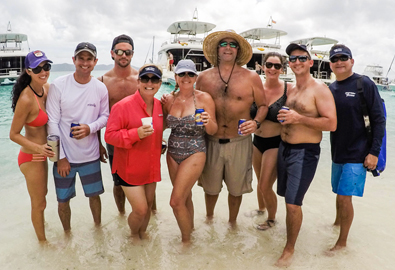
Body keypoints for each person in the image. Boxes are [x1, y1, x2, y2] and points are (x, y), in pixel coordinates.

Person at [196, 30, 268, 225]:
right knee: (210, 188)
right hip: (211, 140)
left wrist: (256, 123)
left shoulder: (251, 77)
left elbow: (263, 106)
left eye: (233, 45)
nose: (228, 47)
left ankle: (232, 223)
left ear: (238, 51)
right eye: (224, 44)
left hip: (240, 141)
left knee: (236, 189)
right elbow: (192, 104)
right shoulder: (203, 78)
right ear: (217, 50)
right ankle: (209, 220)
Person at [275, 43, 337, 267]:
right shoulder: (291, 89)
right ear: (289, 64)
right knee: (286, 197)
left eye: (302, 58)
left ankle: (289, 249)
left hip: (304, 152)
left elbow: (331, 123)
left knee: (293, 203)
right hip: (284, 149)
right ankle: (289, 232)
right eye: (292, 59)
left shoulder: (319, 89)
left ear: (311, 63)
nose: (297, 62)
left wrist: (298, 119)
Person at [46, 42, 109, 232]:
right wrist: (61, 157)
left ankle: (98, 230)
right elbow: (52, 123)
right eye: (81, 58)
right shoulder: (59, 85)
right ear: (73, 60)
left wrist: (90, 128)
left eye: (89, 58)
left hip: (90, 155)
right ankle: (67, 235)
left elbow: (105, 116)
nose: (85, 62)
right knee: (63, 200)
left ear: (95, 62)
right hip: (65, 158)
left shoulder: (100, 88)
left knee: (94, 196)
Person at [328, 44, 385, 252]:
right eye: (335, 59)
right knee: (339, 192)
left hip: (359, 152)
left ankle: (342, 243)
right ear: (330, 65)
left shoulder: (364, 84)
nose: (339, 62)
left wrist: (374, 152)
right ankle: (336, 224)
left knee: (345, 196)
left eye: (344, 58)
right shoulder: (330, 89)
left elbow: (379, 119)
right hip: (337, 151)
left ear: (352, 61)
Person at [105, 64, 163, 241]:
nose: (149, 83)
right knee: (140, 210)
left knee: (148, 208)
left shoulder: (160, 106)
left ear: (160, 83)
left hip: (151, 168)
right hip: (129, 169)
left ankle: (142, 235)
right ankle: (132, 236)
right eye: (145, 79)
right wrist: (134, 134)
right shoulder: (122, 106)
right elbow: (109, 136)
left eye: (154, 79)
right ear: (138, 82)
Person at [163, 59, 217, 244]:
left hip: (195, 151)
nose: (186, 78)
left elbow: (213, 130)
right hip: (172, 152)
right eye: (182, 74)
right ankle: (190, 229)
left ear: (195, 77)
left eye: (190, 74)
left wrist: (208, 120)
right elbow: (162, 126)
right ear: (175, 77)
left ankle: (186, 244)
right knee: (185, 196)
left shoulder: (204, 98)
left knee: (175, 201)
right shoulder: (169, 99)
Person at [9, 50, 55, 242]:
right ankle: (43, 244)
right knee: (39, 203)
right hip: (31, 156)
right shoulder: (27, 99)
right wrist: (37, 148)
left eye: (46, 66)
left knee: (43, 197)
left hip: (42, 154)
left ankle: (40, 228)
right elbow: (13, 134)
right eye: (37, 68)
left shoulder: (46, 89)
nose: (43, 71)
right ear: (28, 71)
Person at [98, 34, 139, 215]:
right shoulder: (103, 81)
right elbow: (98, 115)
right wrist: (98, 144)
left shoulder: (141, 78)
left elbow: (152, 109)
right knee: (118, 181)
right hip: (114, 140)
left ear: (132, 54)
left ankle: (150, 215)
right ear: (112, 54)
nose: (123, 55)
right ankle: (121, 215)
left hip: (141, 136)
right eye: (119, 51)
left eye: (127, 52)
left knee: (145, 178)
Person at [251, 52, 291, 230]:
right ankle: (261, 209)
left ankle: (272, 219)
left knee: (265, 184)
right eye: (269, 65)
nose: (272, 69)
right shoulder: (256, 87)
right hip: (256, 141)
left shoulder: (289, 89)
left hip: (275, 143)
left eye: (277, 66)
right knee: (259, 180)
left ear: (282, 69)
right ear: (263, 66)